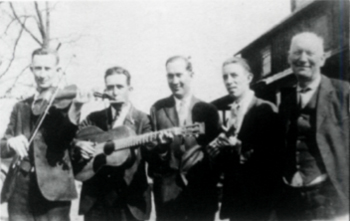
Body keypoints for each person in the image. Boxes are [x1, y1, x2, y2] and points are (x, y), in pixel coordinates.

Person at [0, 48, 86, 221]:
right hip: (19, 190)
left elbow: (66, 136)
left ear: (58, 71)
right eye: (38, 68)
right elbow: (2, 147)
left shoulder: (67, 104)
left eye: (47, 68)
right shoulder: (21, 106)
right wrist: (10, 143)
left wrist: (76, 107)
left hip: (54, 188)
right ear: (31, 69)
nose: (42, 74)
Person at [276, 32, 349, 220]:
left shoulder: (344, 93)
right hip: (291, 200)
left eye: (310, 53)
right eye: (297, 53)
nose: (303, 59)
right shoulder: (287, 102)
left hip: (331, 199)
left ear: (322, 58)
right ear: (288, 58)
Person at [72, 66, 151, 221]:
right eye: (110, 87)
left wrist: (159, 146)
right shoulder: (93, 119)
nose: (114, 92)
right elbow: (71, 139)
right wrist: (78, 145)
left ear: (130, 88)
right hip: (96, 202)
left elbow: (153, 156)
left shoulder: (143, 120)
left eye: (120, 87)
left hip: (130, 203)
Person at [210, 57, 283, 220]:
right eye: (225, 77)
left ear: (249, 78)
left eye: (234, 75)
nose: (229, 81)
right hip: (237, 203)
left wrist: (238, 146)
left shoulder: (265, 109)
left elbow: (273, 158)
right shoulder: (233, 113)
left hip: (260, 202)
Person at [148, 56, 221, 221]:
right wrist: (161, 149)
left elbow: (216, 156)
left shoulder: (208, 110)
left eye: (179, 75)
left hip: (201, 193)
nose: (174, 81)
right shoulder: (157, 109)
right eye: (170, 76)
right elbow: (150, 155)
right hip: (167, 194)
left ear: (191, 74)